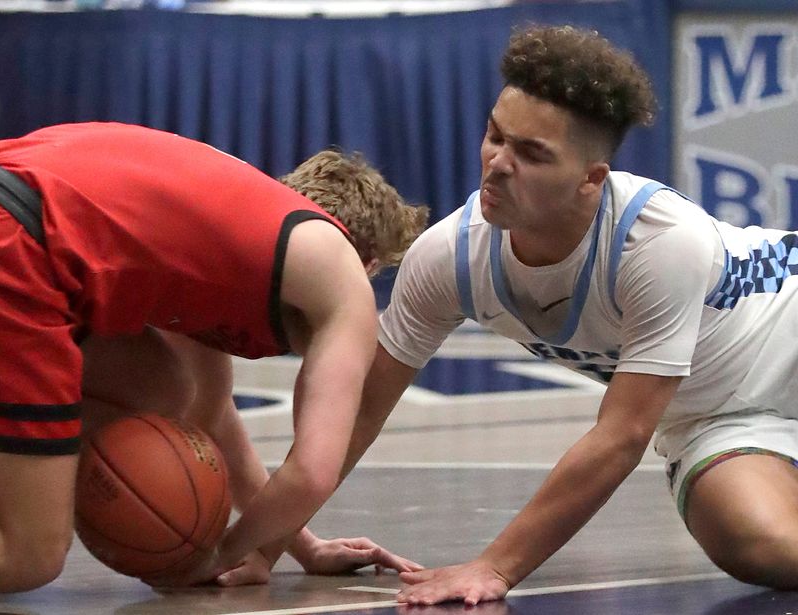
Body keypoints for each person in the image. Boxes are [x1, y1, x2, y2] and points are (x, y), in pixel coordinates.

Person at [320, 23, 798, 605]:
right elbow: (359, 410)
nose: (497, 164)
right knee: (759, 543)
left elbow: (621, 434)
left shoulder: (658, 242)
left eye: (530, 154)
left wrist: (495, 566)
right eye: (496, 136)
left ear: (590, 180)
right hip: (716, 420)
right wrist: (269, 542)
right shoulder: (450, 258)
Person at [0, 121, 428, 592]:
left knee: (162, 387)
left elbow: (213, 409)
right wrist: (223, 554)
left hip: (24, 210)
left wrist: (297, 544)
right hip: (21, 240)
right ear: (368, 264)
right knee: (30, 558)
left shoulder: (235, 227)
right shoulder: (337, 269)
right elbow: (313, 470)